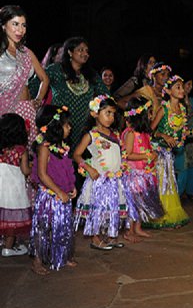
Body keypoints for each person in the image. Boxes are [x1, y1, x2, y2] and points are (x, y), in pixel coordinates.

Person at [30, 36, 109, 150]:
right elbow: (35, 84)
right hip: (59, 126)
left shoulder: (92, 75)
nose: (85, 53)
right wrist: (35, 101)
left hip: (81, 128)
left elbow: (106, 95)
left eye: (87, 51)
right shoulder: (56, 70)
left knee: (74, 162)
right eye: (80, 50)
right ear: (70, 52)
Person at [73, 95, 128, 250]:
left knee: (112, 209)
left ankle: (111, 236)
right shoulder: (91, 135)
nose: (111, 117)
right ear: (95, 113)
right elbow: (76, 155)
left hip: (114, 180)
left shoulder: (115, 134)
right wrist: (89, 168)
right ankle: (95, 239)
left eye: (113, 114)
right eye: (107, 113)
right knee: (97, 209)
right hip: (99, 180)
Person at [30, 105, 77, 274]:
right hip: (49, 196)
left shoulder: (63, 147)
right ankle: (37, 260)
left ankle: (62, 256)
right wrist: (58, 191)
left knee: (63, 227)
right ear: (54, 127)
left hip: (62, 195)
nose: (70, 128)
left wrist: (71, 187)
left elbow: (66, 170)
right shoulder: (44, 147)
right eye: (66, 125)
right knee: (44, 228)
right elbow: (42, 175)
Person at [0, 5, 49, 146]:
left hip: (27, 111)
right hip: (4, 112)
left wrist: (38, 100)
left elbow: (45, 79)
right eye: (15, 24)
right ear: (3, 25)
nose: (20, 30)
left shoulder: (26, 53)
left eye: (23, 25)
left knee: (28, 158)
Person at [146, 75, 190, 229]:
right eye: (178, 87)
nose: (182, 89)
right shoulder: (163, 109)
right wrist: (163, 135)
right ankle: (160, 216)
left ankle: (169, 215)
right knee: (162, 183)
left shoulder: (182, 109)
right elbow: (150, 131)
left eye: (182, 87)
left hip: (169, 152)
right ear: (169, 91)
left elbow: (182, 133)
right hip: (158, 152)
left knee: (169, 183)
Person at [121, 97, 164, 241]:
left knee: (141, 203)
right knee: (133, 203)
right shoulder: (131, 133)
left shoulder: (144, 133)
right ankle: (129, 231)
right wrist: (146, 156)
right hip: (134, 174)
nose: (151, 116)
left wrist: (153, 155)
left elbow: (147, 148)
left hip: (145, 173)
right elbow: (127, 155)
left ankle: (138, 228)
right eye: (149, 113)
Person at [0, 114, 31, 258]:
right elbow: (25, 170)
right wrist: (32, 168)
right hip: (12, 190)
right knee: (11, 219)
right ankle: (8, 247)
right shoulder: (21, 150)